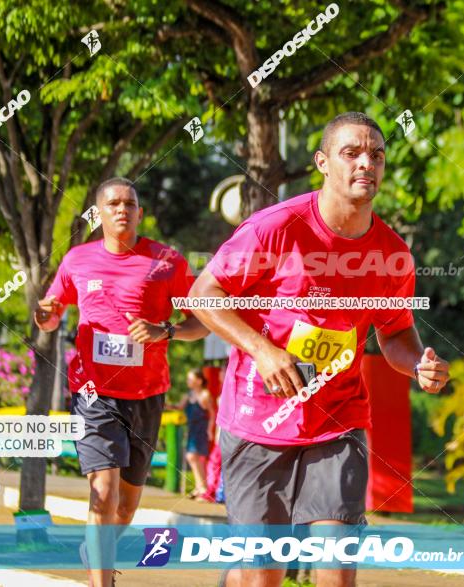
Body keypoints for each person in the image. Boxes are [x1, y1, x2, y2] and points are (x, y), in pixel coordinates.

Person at [189, 112, 450, 587]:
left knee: (335, 569)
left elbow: (394, 334)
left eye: (375, 155)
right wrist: (264, 350)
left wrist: (419, 365)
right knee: (262, 575)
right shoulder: (276, 228)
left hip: (338, 418)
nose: (365, 164)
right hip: (257, 419)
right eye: (351, 154)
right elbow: (204, 296)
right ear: (323, 163)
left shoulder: (392, 253)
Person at [34, 178, 208, 587]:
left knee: (125, 508)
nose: (122, 209)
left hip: (147, 394)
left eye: (130, 203)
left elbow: (200, 323)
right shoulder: (77, 260)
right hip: (93, 393)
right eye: (113, 203)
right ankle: (102, 580)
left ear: (140, 213)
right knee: (104, 493)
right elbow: (53, 312)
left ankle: (96, 549)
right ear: (99, 213)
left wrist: (164, 330)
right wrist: (46, 317)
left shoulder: (168, 262)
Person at [176, 369, 215, 500]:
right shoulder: (189, 395)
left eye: (190, 379)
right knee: (193, 457)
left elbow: (212, 414)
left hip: (201, 428)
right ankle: (200, 487)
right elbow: (179, 407)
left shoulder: (204, 394)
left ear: (199, 381)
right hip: (191, 428)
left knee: (193, 456)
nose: (188, 382)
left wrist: (210, 430)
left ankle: (203, 488)